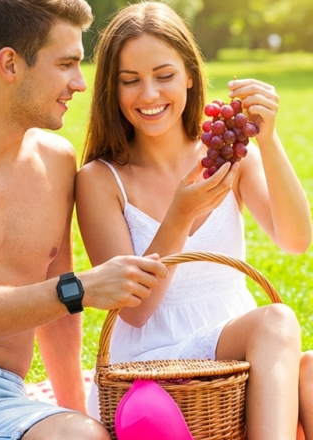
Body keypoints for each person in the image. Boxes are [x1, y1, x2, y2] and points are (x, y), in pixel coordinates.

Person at [0, 0, 169, 438]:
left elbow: (59, 316)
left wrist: (74, 411)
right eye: (67, 63)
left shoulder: (56, 162)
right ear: (10, 63)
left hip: (2, 397)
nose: (81, 83)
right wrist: (81, 288)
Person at [75, 3, 311, 439]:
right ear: (112, 87)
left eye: (164, 76)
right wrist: (179, 215)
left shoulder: (229, 157)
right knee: (277, 321)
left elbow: (296, 240)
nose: (148, 95)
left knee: (311, 371)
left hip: (235, 346)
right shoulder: (100, 181)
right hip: (151, 362)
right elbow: (136, 312)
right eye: (130, 81)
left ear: (189, 74)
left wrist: (270, 140)